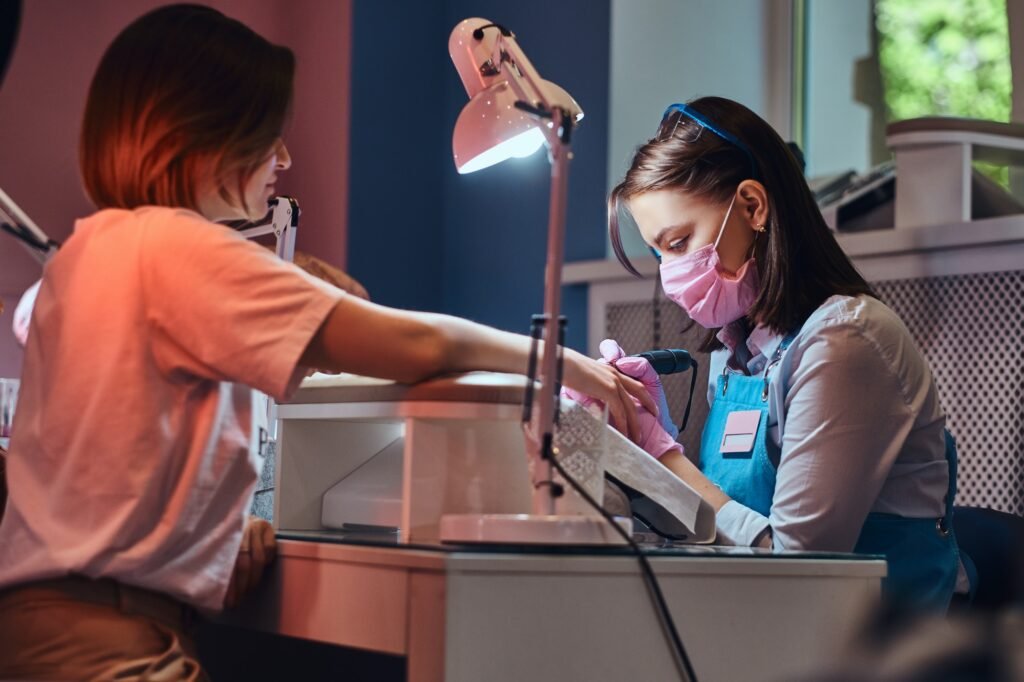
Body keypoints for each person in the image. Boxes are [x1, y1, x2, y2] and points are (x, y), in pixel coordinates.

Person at [0, 5, 654, 680]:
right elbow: (411, 345)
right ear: (202, 136)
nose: (283, 159)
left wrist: (208, 548)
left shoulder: (86, 253)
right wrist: (557, 360)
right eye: (267, 137)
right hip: (108, 644)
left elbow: (119, 466)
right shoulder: (177, 249)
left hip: (44, 628)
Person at [595, 96, 966, 611]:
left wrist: (663, 457)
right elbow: (723, 528)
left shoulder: (845, 343)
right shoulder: (735, 354)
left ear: (752, 206)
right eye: (658, 253)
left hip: (871, 646)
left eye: (679, 243)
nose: (669, 274)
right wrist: (639, 448)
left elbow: (794, 566)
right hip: (763, 621)